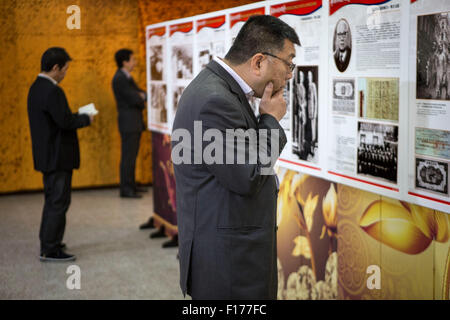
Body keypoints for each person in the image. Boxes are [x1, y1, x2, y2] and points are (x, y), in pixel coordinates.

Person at [172, 15, 300, 299]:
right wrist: (270, 120)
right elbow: (249, 174)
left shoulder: (218, 90)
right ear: (258, 62)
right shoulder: (215, 100)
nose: (290, 74)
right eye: (289, 63)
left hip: (229, 252)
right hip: (229, 265)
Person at [27, 47, 93, 262]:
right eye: (65, 69)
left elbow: (56, 119)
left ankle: (49, 241)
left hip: (45, 154)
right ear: (56, 68)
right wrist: (86, 118)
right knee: (58, 201)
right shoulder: (53, 91)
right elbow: (65, 122)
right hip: (58, 156)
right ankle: (50, 249)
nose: (65, 74)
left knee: (51, 200)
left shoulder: (35, 88)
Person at [112, 49, 147, 198]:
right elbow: (136, 98)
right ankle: (126, 189)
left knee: (131, 156)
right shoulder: (120, 78)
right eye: (132, 60)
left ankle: (131, 185)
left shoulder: (127, 77)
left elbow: (142, 94)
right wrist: (140, 96)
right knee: (128, 157)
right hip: (129, 123)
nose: (135, 63)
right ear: (124, 62)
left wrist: (141, 96)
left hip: (133, 122)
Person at [307, 70, 318, 156]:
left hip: (313, 113)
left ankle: (313, 148)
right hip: (308, 113)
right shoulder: (308, 86)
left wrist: (315, 112)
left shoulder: (313, 85)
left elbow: (315, 100)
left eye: (310, 76)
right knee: (310, 132)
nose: (309, 77)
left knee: (313, 132)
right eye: (308, 76)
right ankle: (310, 148)